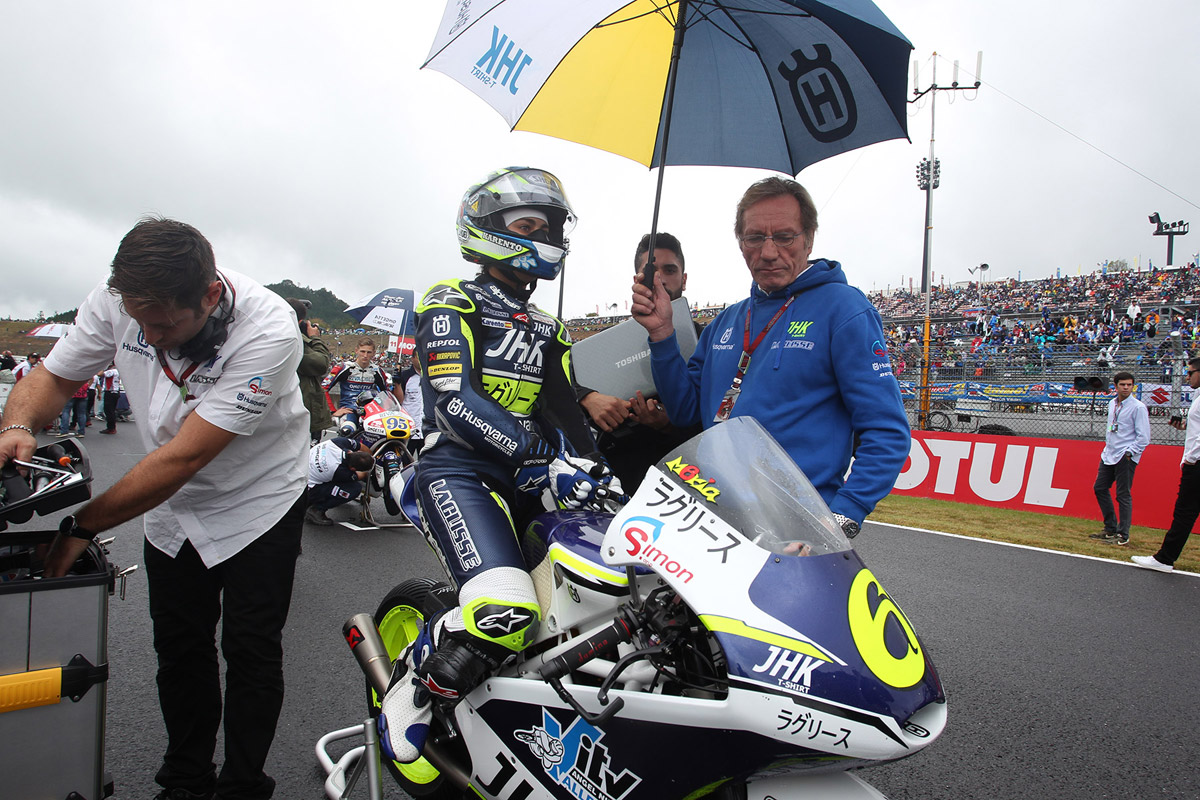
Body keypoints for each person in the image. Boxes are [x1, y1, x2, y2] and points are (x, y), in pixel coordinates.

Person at [0, 216, 308, 800]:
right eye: (140, 321)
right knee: (179, 647)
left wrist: (80, 526)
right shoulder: (120, 302)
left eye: (164, 322)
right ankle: (185, 778)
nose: (150, 332)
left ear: (210, 295)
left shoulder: (270, 331)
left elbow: (182, 459)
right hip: (169, 504)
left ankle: (243, 784)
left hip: (259, 497)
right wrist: (16, 425)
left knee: (250, 650)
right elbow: (55, 378)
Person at [378, 166, 619, 764]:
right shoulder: (449, 299)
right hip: (458, 470)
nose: (544, 234)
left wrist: (597, 471)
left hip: (528, 477)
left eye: (550, 225)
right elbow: (454, 400)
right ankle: (411, 684)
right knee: (505, 610)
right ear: (486, 231)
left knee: (611, 591)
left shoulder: (550, 327)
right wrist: (541, 457)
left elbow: (567, 414)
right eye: (528, 224)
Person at [630, 176, 910, 538]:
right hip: (710, 520)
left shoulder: (844, 309)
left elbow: (887, 431)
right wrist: (662, 334)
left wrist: (842, 517)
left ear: (808, 238)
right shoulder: (726, 321)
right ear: (740, 242)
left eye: (784, 236)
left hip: (796, 529)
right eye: (754, 238)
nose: (768, 252)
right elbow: (685, 412)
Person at [576, 232, 701, 491]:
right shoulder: (604, 345)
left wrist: (667, 424)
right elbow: (560, 387)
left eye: (670, 270)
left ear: (684, 279)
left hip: (688, 474)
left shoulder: (707, 339)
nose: (661, 279)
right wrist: (589, 398)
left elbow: (718, 418)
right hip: (620, 474)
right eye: (652, 270)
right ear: (638, 279)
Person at [1133, 358, 1200, 572]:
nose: (1187, 377)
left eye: (1190, 373)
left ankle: (1165, 558)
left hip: (1197, 464)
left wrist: (1192, 457)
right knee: (1185, 513)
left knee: (1184, 513)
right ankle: (1165, 558)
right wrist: (1184, 427)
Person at [1088, 371, 1150, 546]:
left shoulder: (1138, 407)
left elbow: (1144, 436)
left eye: (1129, 385)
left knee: (1123, 494)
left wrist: (1130, 453)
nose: (1126, 387)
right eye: (1122, 384)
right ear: (1115, 386)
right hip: (1109, 453)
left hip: (1125, 455)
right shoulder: (1112, 404)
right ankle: (1110, 528)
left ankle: (1123, 534)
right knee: (1100, 487)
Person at [286, 297, 333, 442]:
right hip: (299, 410)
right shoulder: (294, 340)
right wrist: (315, 338)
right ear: (300, 322)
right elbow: (321, 364)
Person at [323, 337, 389, 436]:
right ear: (356, 350)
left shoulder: (377, 371)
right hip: (349, 410)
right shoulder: (343, 367)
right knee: (347, 431)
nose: (365, 355)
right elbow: (323, 388)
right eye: (362, 351)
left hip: (370, 412)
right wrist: (332, 411)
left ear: (374, 353)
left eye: (369, 352)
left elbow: (387, 393)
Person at [305, 436, 373, 525]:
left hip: (305, 470)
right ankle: (316, 509)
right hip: (308, 489)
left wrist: (371, 457)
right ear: (352, 468)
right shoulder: (338, 470)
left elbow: (361, 446)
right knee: (354, 489)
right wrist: (371, 471)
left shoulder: (339, 442)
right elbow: (361, 475)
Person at [393, 356, 424, 457]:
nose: (421, 360)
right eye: (418, 357)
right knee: (405, 461)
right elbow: (398, 401)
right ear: (412, 358)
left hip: (425, 428)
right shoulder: (405, 376)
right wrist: (397, 384)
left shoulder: (431, 376)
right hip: (408, 427)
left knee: (426, 462)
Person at [98, 363, 120, 434]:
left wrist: (103, 367)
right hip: (116, 391)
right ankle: (112, 427)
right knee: (112, 410)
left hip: (110, 392)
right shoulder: (117, 371)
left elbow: (99, 374)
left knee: (108, 410)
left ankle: (111, 428)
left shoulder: (111, 371)